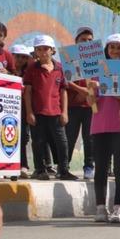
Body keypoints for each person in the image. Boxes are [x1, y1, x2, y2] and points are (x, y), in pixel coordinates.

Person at [21, 35, 76, 182]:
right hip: (37, 112)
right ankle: (40, 170)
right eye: (39, 49)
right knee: (38, 141)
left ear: (52, 50)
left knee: (62, 142)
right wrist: (29, 112)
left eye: (46, 48)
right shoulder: (32, 68)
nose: (43, 52)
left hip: (56, 113)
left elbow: (63, 91)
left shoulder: (60, 68)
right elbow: (28, 91)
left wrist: (64, 112)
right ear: (35, 52)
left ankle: (64, 170)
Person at [88, 34, 120, 222]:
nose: (115, 50)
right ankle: (100, 208)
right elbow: (91, 100)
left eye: (119, 47)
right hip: (99, 125)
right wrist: (92, 91)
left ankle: (118, 208)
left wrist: (108, 86)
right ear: (106, 49)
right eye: (112, 47)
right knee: (101, 168)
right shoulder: (95, 71)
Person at [64, 26, 96, 180]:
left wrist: (86, 94)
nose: (86, 43)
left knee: (89, 138)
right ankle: (64, 167)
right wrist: (81, 90)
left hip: (90, 106)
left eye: (89, 40)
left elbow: (99, 82)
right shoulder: (70, 58)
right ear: (76, 41)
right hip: (72, 106)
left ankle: (89, 167)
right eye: (83, 40)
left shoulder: (96, 60)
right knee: (69, 136)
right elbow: (66, 80)